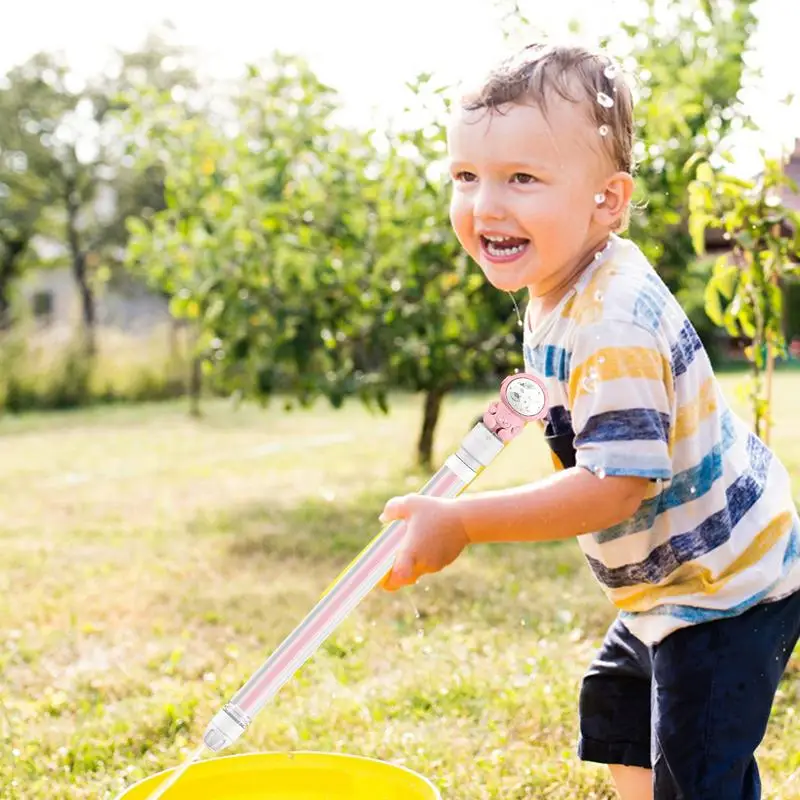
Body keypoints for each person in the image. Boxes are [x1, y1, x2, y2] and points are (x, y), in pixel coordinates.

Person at [378, 43, 800, 800]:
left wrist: (465, 522)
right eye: (466, 177)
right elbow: (573, 390)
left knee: (695, 762)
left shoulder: (612, 320)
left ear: (606, 200)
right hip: (668, 585)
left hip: (727, 589)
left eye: (522, 179)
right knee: (619, 706)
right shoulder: (565, 283)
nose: (486, 205)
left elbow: (614, 488)